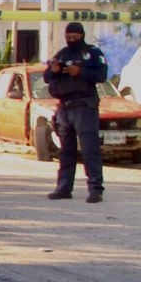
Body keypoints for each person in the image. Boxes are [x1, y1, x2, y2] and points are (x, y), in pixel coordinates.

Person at [43, 21, 108, 202]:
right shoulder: (63, 54)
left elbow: (101, 76)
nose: (71, 39)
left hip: (84, 107)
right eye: (68, 36)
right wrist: (55, 70)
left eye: (75, 36)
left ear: (82, 35)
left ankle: (95, 189)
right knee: (66, 151)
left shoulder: (93, 53)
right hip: (65, 108)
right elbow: (47, 77)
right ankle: (64, 188)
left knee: (90, 149)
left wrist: (80, 72)